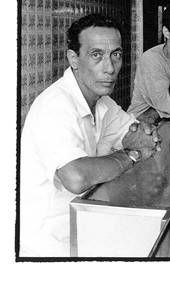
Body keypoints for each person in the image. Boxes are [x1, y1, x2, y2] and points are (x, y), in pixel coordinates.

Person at [20, 14, 161, 256]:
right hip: (50, 247)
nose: (109, 67)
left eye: (115, 54)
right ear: (73, 58)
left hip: (89, 229)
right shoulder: (55, 106)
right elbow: (76, 177)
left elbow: (145, 137)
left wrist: (139, 142)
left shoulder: (103, 102)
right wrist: (132, 156)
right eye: (97, 55)